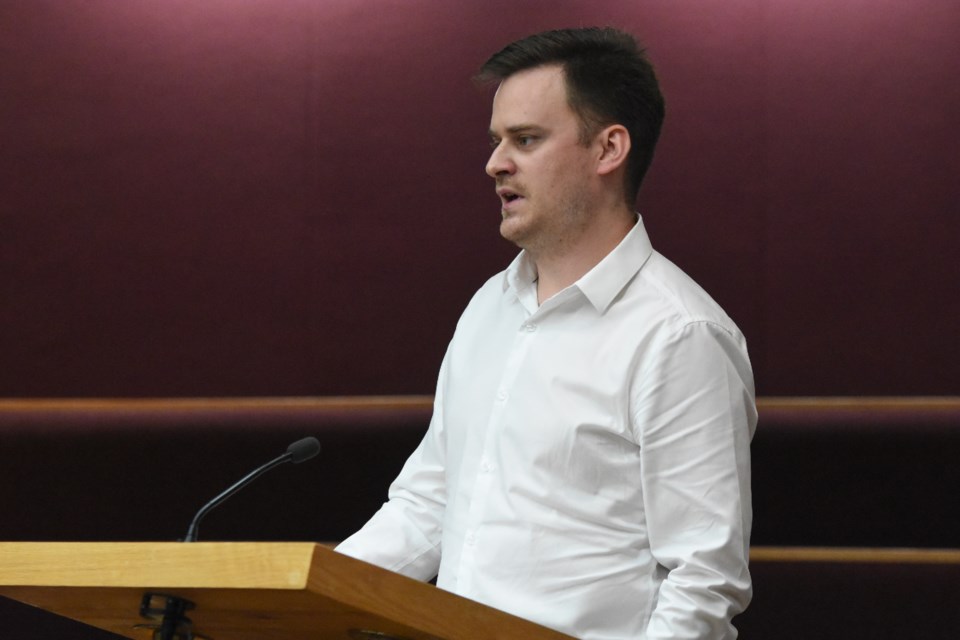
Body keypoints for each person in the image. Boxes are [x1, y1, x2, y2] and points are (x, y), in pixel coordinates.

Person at [337, 27, 756, 639]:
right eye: (495, 141)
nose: (494, 163)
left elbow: (702, 578)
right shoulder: (489, 307)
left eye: (525, 140)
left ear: (608, 149)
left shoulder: (680, 335)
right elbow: (429, 506)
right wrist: (295, 596)